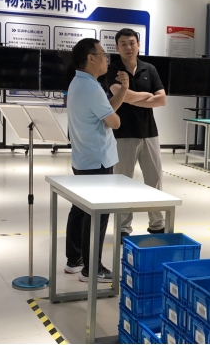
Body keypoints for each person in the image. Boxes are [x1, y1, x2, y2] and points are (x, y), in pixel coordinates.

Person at [65, 37, 129, 282]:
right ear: (91, 58)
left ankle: (74, 260)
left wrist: (123, 90)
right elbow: (114, 121)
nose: (106, 60)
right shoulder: (92, 88)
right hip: (98, 160)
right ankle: (92, 269)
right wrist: (116, 114)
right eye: (103, 54)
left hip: (83, 158)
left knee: (80, 210)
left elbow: (105, 111)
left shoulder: (78, 83)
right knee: (98, 216)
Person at [105, 28, 167, 240]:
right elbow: (121, 95)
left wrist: (132, 97)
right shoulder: (112, 70)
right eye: (123, 44)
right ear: (117, 47)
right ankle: (123, 229)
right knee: (122, 182)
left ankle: (157, 225)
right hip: (123, 134)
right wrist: (145, 95)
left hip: (150, 133)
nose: (128, 47)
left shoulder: (149, 69)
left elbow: (162, 99)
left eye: (132, 43)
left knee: (155, 180)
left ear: (138, 45)